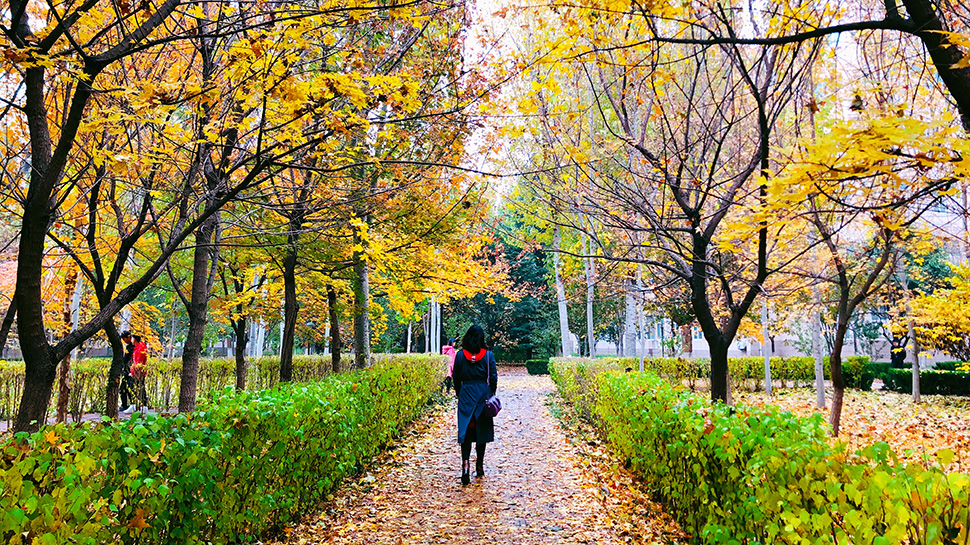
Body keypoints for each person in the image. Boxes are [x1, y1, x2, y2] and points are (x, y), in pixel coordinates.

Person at [452, 324, 498, 486]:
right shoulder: (488, 356)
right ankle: (479, 465)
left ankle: (465, 465)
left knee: (465, 431)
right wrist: (491, 394)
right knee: (481, 431)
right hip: (482, 395)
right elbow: (493, 377)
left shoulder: (459, 356)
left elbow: (455, 377)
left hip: (466, 394)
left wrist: (460, 393)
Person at [130, 334, 149, 411]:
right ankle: (141, 402)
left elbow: (139, 361)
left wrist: (134, 371)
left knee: (139, 386)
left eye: (132, 338)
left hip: (139, 372)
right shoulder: (137, 347)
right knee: (137, 386)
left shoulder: (141, 348)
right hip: (137, 371)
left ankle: (143, 402)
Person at [119, 331, 135, 413]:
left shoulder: (133, 347)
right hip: (126, 372)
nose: (124, 340)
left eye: (124, 338)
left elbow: (129, 360)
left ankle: (132, 405)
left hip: (131, 372)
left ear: (128, 337)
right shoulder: (129, 347)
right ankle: (125, 405)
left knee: (130, 388)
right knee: (123, 389)